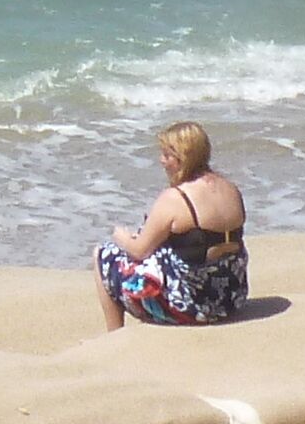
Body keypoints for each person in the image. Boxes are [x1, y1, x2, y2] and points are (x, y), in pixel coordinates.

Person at [96, 120, 249, 328]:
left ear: (183, 158)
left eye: (168, 155)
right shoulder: (231, 189)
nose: (162, 161)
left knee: (103, 255)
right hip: (230, 299)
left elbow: (139, 251)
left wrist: (122, 237)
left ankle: (114, 336)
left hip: (192, 308)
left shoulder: (176, 198)